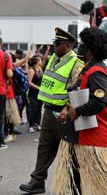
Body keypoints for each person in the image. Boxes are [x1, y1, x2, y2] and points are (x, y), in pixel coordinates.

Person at [51, 27, 107, 195]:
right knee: (75, 175)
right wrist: (68, 109)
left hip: (94, 138)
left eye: (83, 44)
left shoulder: (97, 72)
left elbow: (99, 102)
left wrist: (78, 111)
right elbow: (79, 95)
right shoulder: (87, 68)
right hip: (80, 136)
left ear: (92, 49)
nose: (79, 47)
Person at [19, 27, 84, 194]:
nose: (55, 46)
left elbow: (77, 90)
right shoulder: (55, 58)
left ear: (69, 45)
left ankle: (72, 185)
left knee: (68, 151)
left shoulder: (76, 63)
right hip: (48, 111)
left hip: (63, 113)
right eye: (54, 43)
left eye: (58, 43)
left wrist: (66, 108)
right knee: (44, 148)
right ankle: (37, 181)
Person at [0, 37, 13, 149]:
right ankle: (0, 142)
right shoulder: (5, 56)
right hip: (1, 90)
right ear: (1, 44)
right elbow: (9, 74)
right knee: (0, 116)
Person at [27, 55, 43, 133]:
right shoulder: (31, 70)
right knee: (33, 109)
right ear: (37, 62)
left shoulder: (40, 70)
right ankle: (31, 125)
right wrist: (37, 87)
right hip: (33, 93)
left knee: (39, 109)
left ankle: (38, 124)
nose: (41, 61)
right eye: (40, 60)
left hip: (40, 93)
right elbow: (29, 82)